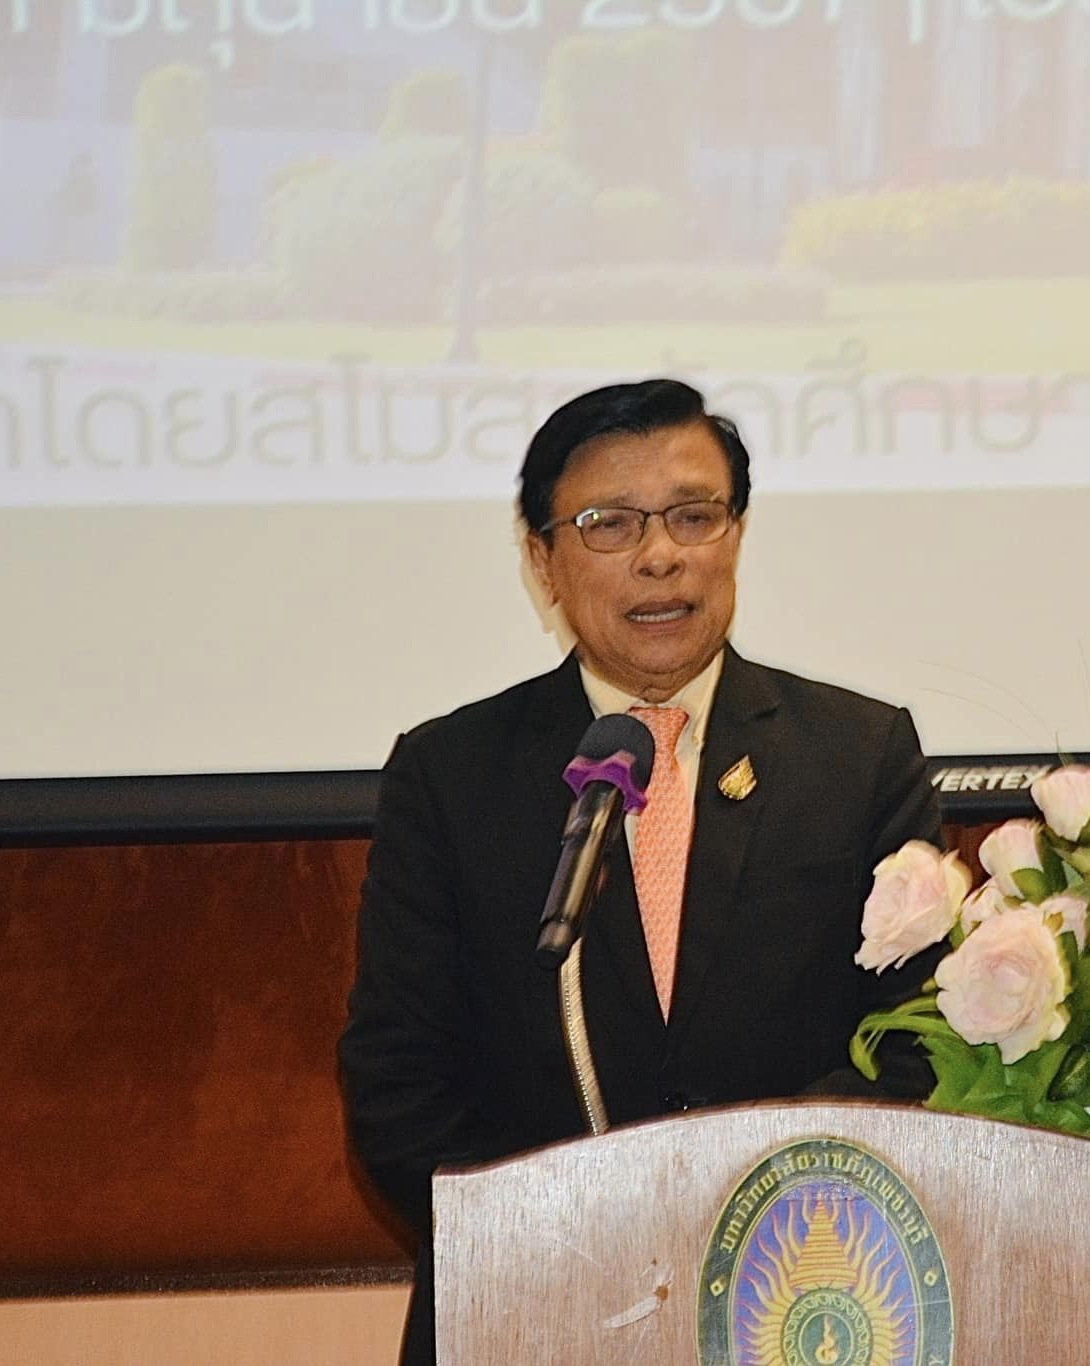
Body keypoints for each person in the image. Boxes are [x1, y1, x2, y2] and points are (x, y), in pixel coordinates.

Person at [337, 378, 942, 1364]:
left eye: (693, 516)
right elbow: (398, 1079)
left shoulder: (857, 755)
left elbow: (910, 1046)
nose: (660, 555)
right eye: (609, 524)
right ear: (543, 561)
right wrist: (575, 1247)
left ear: (735, 535)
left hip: (802, 1300)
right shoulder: (451, 773)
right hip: (530, 1310)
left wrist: (749, 1225)